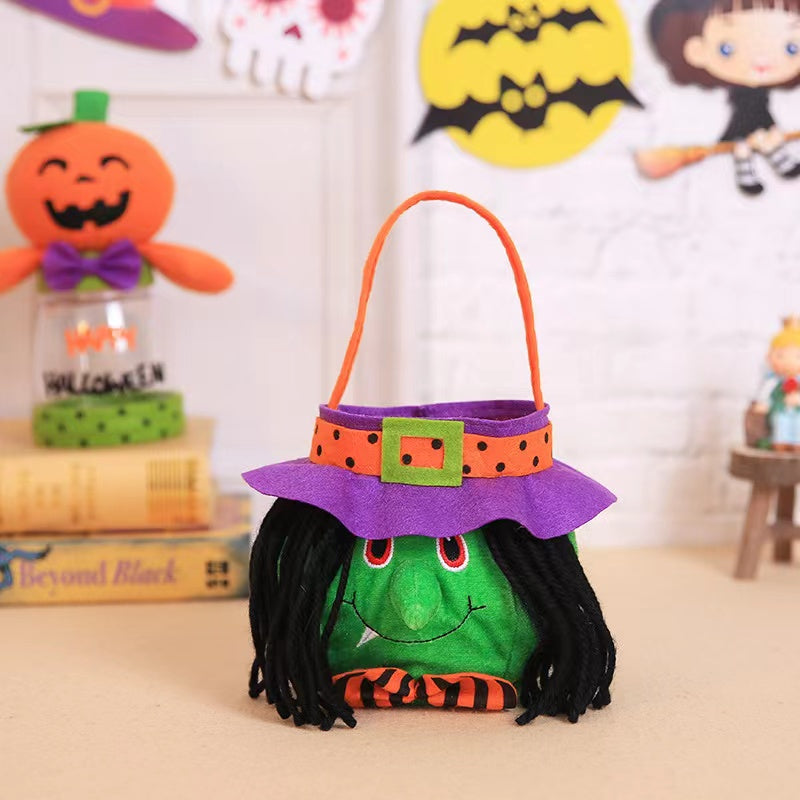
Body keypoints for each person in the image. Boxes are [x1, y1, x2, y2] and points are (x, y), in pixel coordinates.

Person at [649, 0, 800, 195]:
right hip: (743, 119)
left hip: (758, 114)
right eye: (727, 48)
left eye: (791, 47)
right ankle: (751, 166)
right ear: (697, 50)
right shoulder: (736, 95)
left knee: (768, 136)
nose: (761, 59)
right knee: (747, 142)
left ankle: (776, 157)